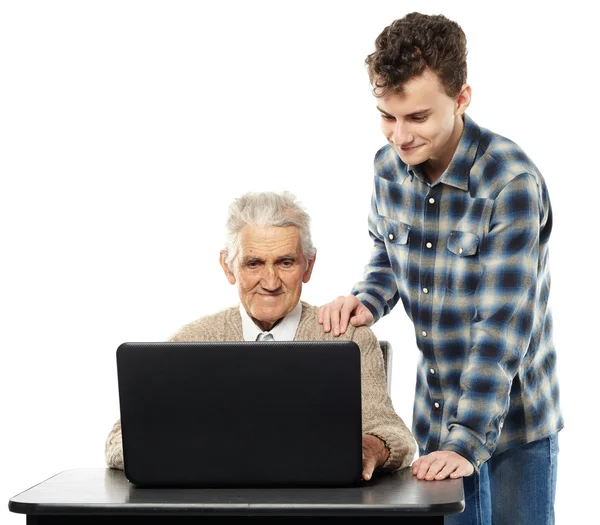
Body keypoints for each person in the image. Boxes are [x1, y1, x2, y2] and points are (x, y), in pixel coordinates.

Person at [317, 12, 562, 525]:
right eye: (387, 116)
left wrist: (467, 441)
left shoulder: (509, 183)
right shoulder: (388, 169)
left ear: (461, 99)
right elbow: (387, 255)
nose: (400, 136)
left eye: (418, 117)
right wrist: (368, 299)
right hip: (435, 412)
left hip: (516, 422)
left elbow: (500, 330)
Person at [105, 190, 416, 481]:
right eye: (253, 263)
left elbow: (394, 433)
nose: (270, 281)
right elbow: (119, 440)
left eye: (285, 262)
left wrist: (369, 448)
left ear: (308, 266)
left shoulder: (346, 336)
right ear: (229, 268)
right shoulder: (193, 340)